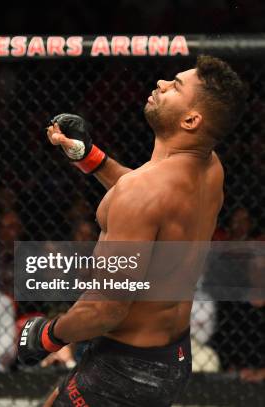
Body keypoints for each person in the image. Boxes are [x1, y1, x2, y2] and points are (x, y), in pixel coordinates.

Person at [18, 55, 247, 406]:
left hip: (125, 369)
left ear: (190, 119)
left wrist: (49, 335)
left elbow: (106, 309)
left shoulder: (141, 192)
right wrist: (89, 157)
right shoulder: (210, 168)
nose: (161, 84)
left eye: (176, 86)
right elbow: (147, 201)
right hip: (170, 355)